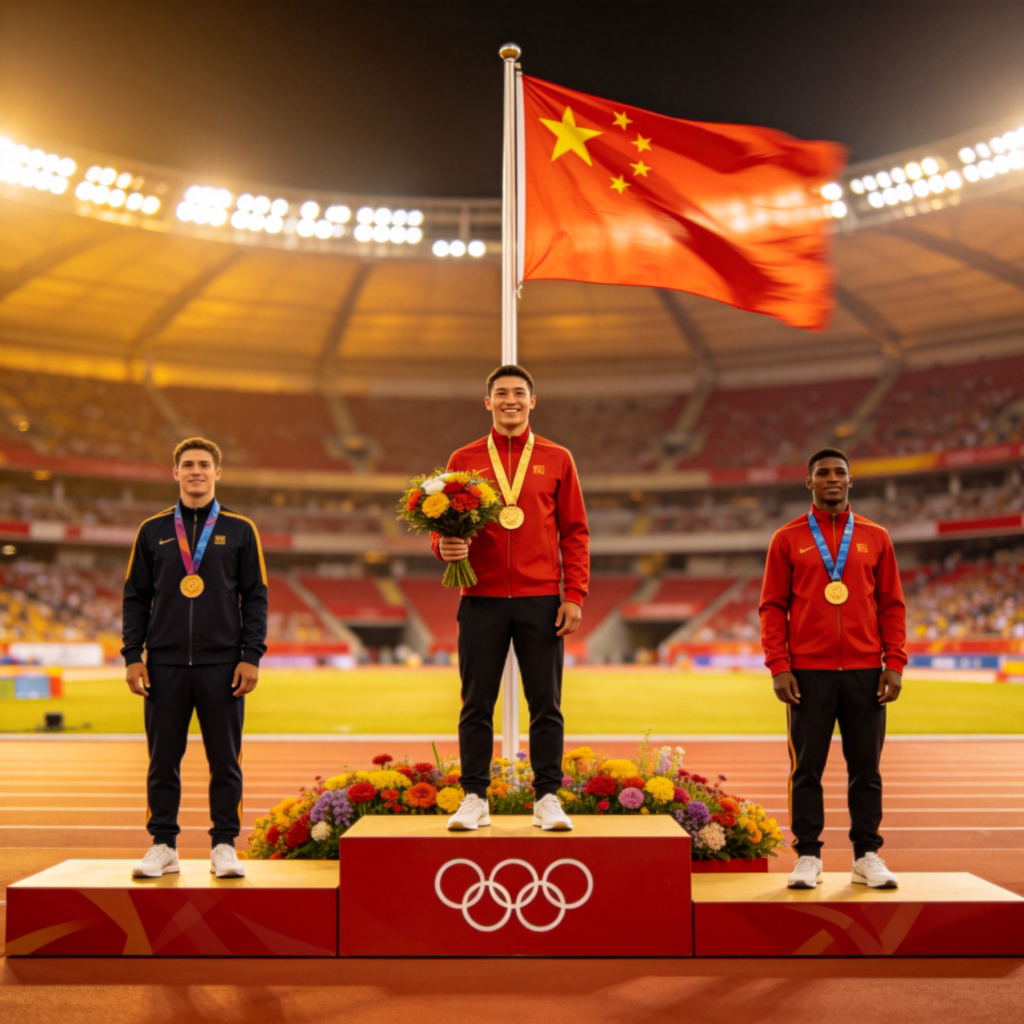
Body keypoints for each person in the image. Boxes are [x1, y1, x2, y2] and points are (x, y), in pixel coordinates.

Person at [433, 365, 589, 832]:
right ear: (488, 402)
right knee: (474, 703)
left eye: (518, 393)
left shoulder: (557, 457)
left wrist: (574, 594)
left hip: (541, 598)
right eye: (501, 393)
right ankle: (475, 798)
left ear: (533, 401)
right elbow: (441, 524)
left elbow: (575, 532)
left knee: (546, 703)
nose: (510, 401)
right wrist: (443, 547)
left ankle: (546, 798)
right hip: (480, 596)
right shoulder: (463, 456)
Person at [759, 447, 906, 890]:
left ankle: (867, 855)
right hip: (808, 674)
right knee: (807, 768)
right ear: (809, 483)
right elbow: (772, 607)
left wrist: (894, 663)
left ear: (850, 481)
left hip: (865, 671)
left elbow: (892, 605)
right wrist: (779, 665)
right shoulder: (787, 538)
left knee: (867, 769)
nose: (831, 479)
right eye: (822, 473)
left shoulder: (876, 537)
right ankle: (808, 855)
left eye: (839, 472)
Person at [123, 437, 268, 878]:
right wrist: (133, 655)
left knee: (225, 760)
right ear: (176, 473)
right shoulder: (152, 530)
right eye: (187, 465)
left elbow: (256, 597)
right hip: (164, 665)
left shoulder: (242, 529)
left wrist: (251, 655)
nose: (196, 471)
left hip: (222, 665)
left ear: (217, 473)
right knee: (162, 760)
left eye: (204, 464)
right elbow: (135, 597)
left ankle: (224, 844)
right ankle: (163, 844)